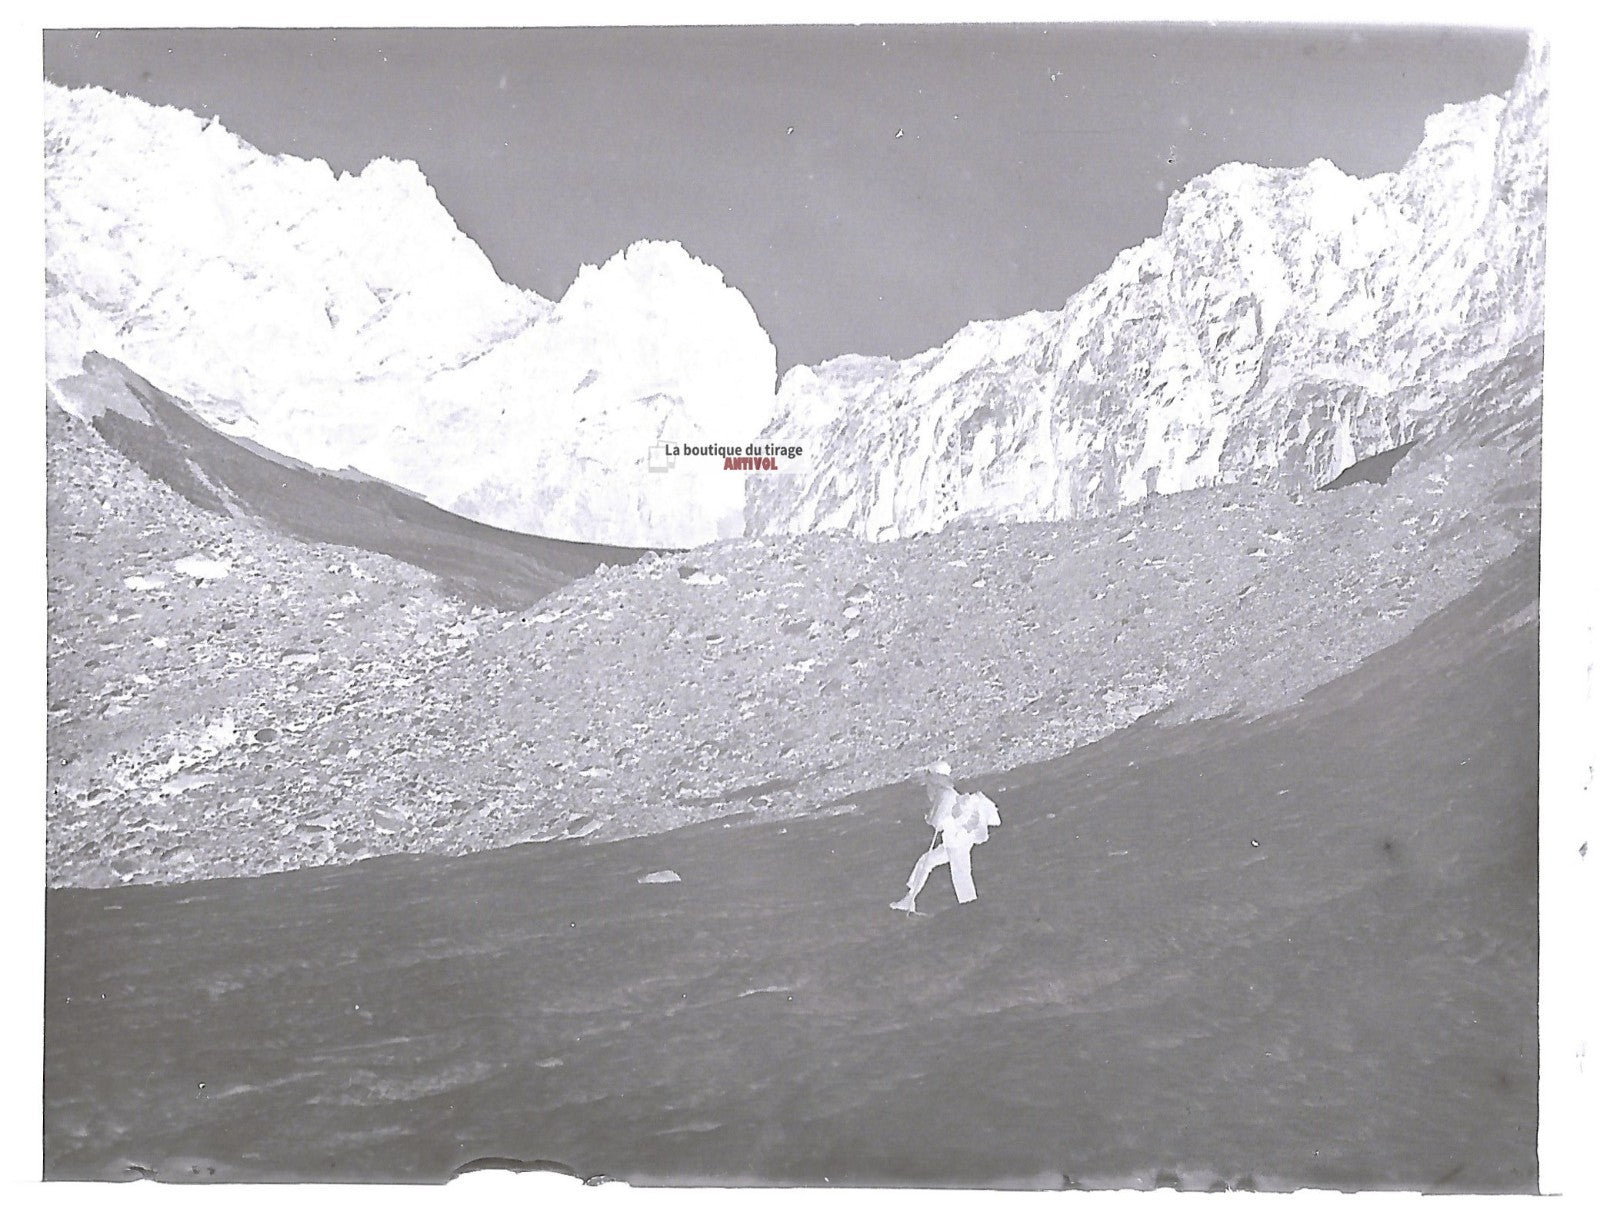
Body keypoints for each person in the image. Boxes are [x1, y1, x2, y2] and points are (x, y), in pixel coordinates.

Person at [891, 761, 1000, 912]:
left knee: (960, 873)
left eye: (929, 776)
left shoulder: (945, 794)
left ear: (935, 777)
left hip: (957, 841)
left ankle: (970, 908)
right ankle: (910, 899)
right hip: (954, 840)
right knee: (926, 862)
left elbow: (936, 821)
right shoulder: (946, 792)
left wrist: (930, 819)